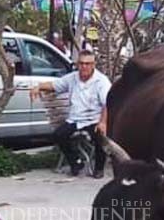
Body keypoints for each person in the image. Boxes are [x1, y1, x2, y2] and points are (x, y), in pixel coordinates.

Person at [30, 49, 111, 178]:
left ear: (93, 65)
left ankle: (99, 168)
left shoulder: (101, 81)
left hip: (93, 119)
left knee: (100, 136)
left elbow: (107, 103)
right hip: (75, 119)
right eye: (81, 63)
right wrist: (38, 86)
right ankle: (76, 162)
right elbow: (54, 85)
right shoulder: (72, 78)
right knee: (58, 135)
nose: (84, 66)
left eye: (88, 63)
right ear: (78, 64)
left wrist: (103, 122)